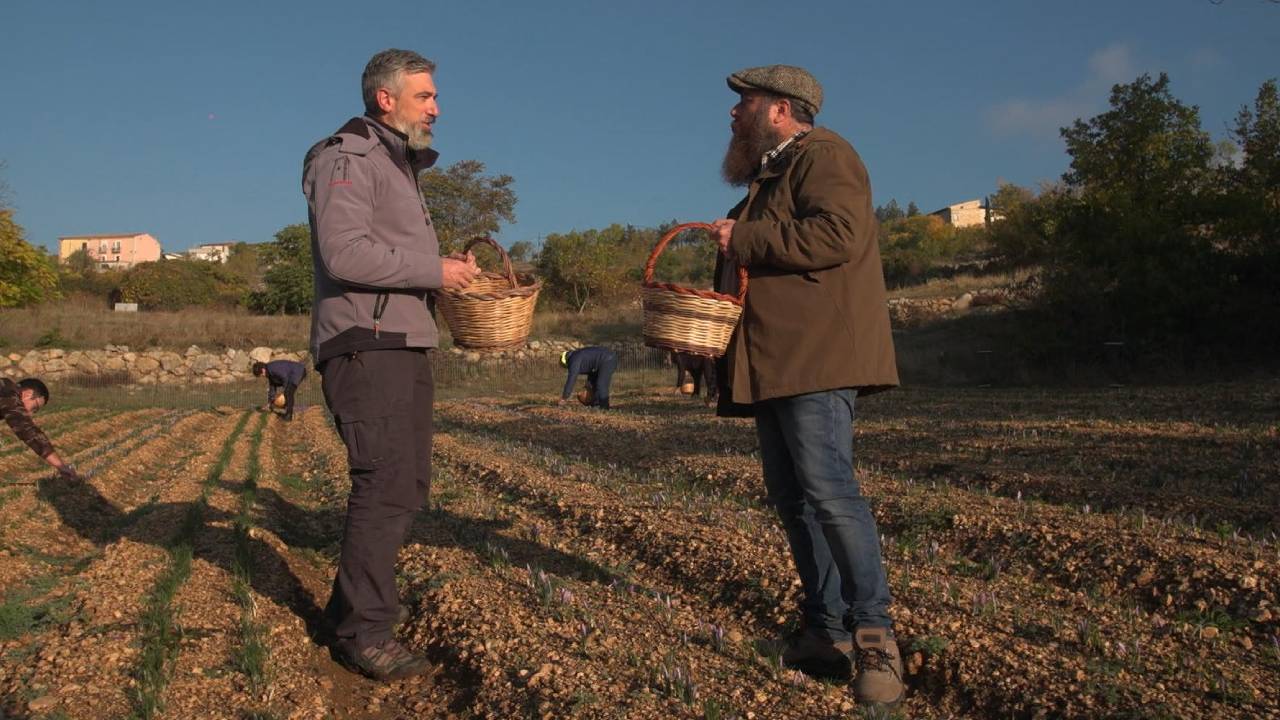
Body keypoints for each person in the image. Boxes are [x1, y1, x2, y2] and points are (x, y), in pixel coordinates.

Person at [709, 65, 903, 708]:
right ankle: (824, 632)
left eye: (746, 104)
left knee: (830, 494)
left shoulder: (825, 154)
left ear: (782, 110)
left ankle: (874, 635)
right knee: (794, 500)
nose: (733, 115)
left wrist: (746, 236)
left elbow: (838, 235)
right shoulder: (771, 176)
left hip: (816, 360)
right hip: (775, 361)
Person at [303, 48, 481, 681]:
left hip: (401, 342)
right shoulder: (345, 157)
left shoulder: (394, 164)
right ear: (386, 98)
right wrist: (436, 271)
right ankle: (365, 632)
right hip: (364, 344)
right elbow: (344, 254)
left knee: (403, 487)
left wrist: (444, 277)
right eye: (425, 96)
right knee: (382, 485)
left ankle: (346, 613)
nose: (436, 107)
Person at [1, 378, 81, 480]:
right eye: (35, 408)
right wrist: (60, 466)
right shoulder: (8, 392)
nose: (30, 414)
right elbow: (26, 429)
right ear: (27, 394)